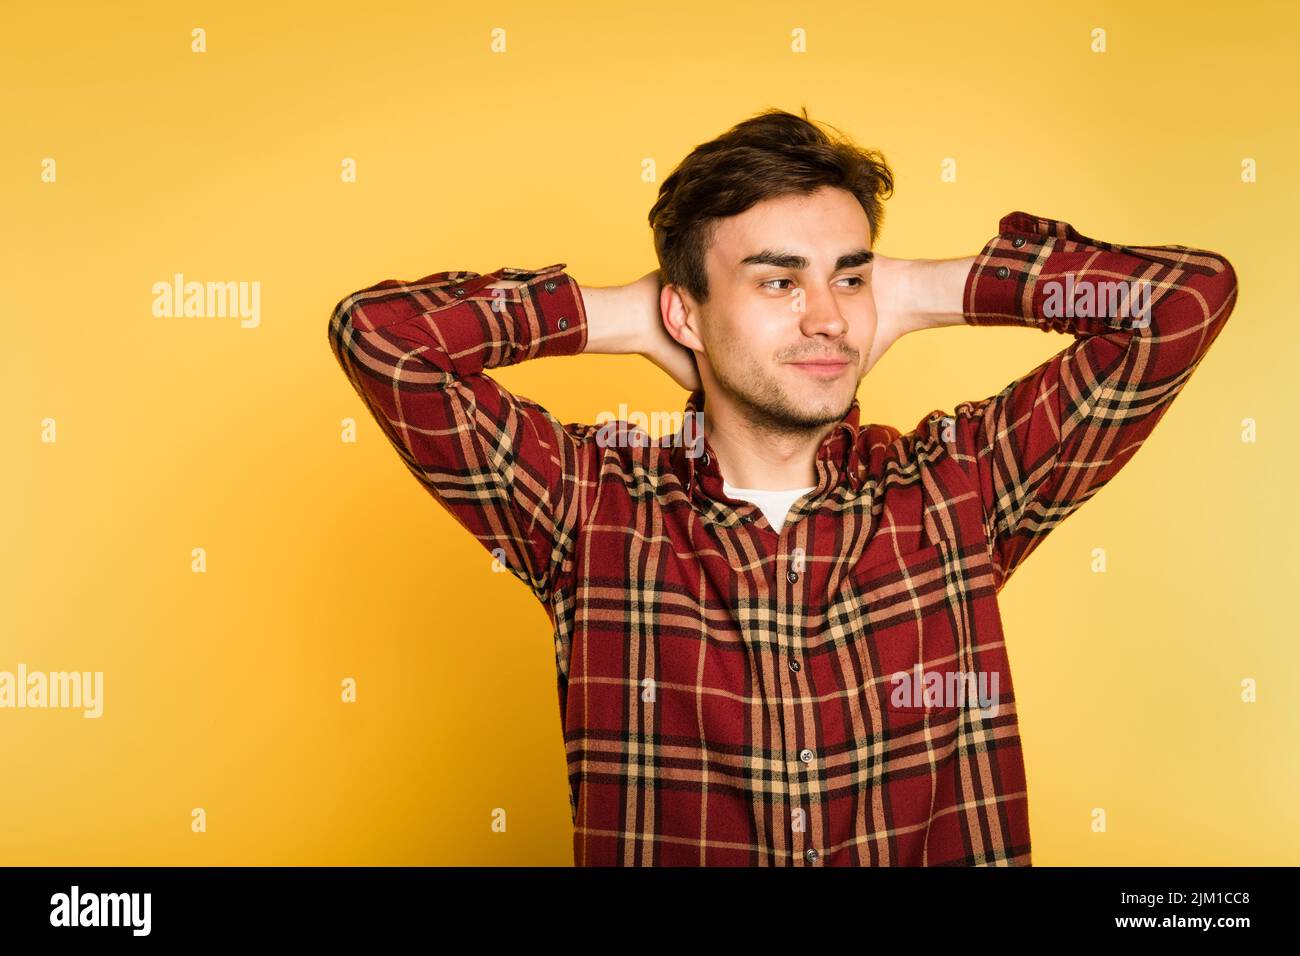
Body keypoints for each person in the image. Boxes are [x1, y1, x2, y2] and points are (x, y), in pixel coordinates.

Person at [327, 107, 1239, 866]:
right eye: (777, 280)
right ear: (684, 309)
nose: (828, 317)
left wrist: (923, 289)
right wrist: (630, 316)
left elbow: (1183, 302)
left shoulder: (959, 485)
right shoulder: (590, 505)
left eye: (850, 277)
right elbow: (383, 340)